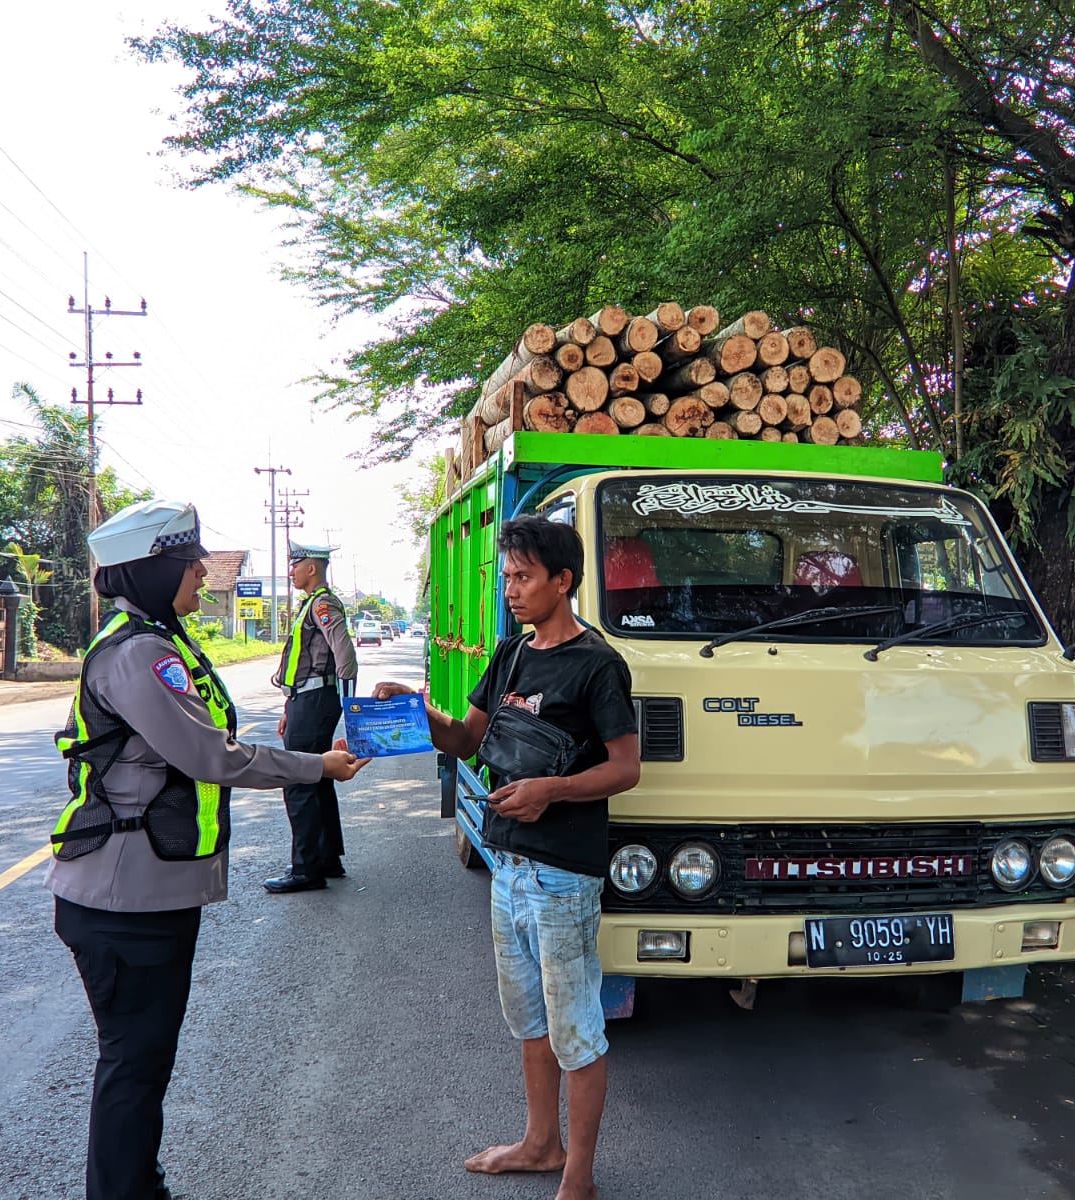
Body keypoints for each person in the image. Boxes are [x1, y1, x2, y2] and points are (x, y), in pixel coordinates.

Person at [48, 499, 367, 1200]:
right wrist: (315, 765)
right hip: (125, 900)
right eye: (187, 562)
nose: (200, 572)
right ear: (154, 570)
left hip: (143, 893)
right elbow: (210, 756)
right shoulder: (139, 654)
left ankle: (137, 1185)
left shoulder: (159, 641)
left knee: (141, 1062)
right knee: (134, 1064)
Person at [374, 515, 640, 1200]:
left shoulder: (598, 665)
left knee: (575, 1029)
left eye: (524, 576)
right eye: (508, 576)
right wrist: (415, 710)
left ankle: (577, 1176)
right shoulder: (512, 656)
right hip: (509, 867)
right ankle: (539, 1144)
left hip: (563, 877)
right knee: (528, 1022)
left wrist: (553, 789)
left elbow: (626, 768)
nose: (511, 589)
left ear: (563, 580)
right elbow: (466, 740)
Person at [265, 542, 359, 893]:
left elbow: (344, 653)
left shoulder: (322, 604)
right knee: (318, 776)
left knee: (299, 779)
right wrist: (290, 707)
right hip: (306, 700)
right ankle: (326, 859)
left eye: (295, 564)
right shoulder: (310, 604)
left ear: (312, 568)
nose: (291, 571)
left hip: (317, 699)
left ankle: (306, 870)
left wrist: (350, 705)